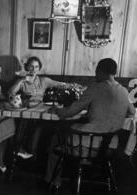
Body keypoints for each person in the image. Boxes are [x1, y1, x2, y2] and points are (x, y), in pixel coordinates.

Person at [46, 58, 136, 187]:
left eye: (96, 71)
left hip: (89, 144)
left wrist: (57, 109)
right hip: (110, 144)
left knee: (56, 138)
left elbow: (70, 112)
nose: (95, 74)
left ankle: (53, 181)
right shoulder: (124, 91)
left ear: (99, 71)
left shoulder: (96, 88)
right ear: (115, 72)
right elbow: (132, 112)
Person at [8, 56, 70, 159]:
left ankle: (32, 153)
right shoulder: (21, 81)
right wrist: (21, 80)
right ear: (26, 67)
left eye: (36, 67)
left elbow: (60, 84)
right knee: (25, 120)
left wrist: (75, 86)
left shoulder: (44, 80)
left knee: (39, 125)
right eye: (31, 66)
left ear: (39, 68)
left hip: (40, 110)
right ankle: (19, 149)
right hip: (26, 110)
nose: (33, 69)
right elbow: (10, 93)